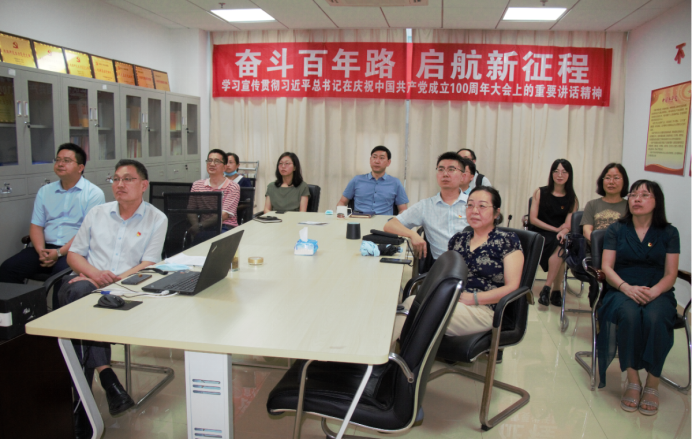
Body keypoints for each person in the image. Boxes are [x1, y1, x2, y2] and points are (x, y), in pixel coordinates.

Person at [57, 159, 167, 423]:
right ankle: (106, 377)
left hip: (127, 289)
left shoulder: (157, 218)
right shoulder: (97, 213)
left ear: (143, 185)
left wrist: (111, 282)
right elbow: (74, 255)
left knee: (81, 308)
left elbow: (149, 264)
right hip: (88, 282)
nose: (120, 184)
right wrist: (96, 276)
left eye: (128, 179)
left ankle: (83, 400)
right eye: (116, 179)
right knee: (80, 294)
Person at [394, 186, 523, 340]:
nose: (474, 211)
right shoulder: (458, 240)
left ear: (496, 213)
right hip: (452, 300)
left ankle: (388, 353)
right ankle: (390, 352)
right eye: (470, 205)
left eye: (482, 206)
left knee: (421, 312)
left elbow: (512, 287)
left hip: (484, 309)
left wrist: (474, 298)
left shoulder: (507, 241)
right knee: (410, 303)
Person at [597, 180, 679, 416]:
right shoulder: (616, 230)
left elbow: (671, 274)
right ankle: (633, 380)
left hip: (658, 290)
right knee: (630, 315)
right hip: (621, 289)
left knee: (656, 317)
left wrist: (654, 291)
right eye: (633, 195)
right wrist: (626, 288)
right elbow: (607, 267)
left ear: (657, 202)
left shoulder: (669, 233)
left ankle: (653, 382)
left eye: (644, 195)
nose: (636, 199)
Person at [0, 143, 104, 309]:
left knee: (61, 279)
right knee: (8, 269)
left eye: (67, 160)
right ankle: (20, 317)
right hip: (44, 248)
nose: (60, 164)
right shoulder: (45, 191)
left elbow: (86, 232)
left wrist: (59, 252)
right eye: (58, 160)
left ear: (80, 167)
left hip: (74, 250)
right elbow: (36, 225)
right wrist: (41, 251)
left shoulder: (93, 194)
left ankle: (56, 321)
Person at [383, 152, 473, 263]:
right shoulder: (426, 206)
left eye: (451, 169)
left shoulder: (473, 204)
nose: (445, 174)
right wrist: (412, 234)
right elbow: (390, 225)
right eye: (441, 169)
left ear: (463, 176)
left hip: (473, 262)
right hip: (442, 266)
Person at [529, 159, 579, 307]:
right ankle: (555, 290)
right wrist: (556, 229)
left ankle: (547, 288)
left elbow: (568, 224)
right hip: (540, 232)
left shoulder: (572, 198)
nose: (559, 175)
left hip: (559, 235)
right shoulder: (540, 192)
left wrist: (564, 230)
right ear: (551, 173)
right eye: (556, 171)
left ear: (569, 175)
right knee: (560, 247)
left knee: (561, 244)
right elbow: (533, 219)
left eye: (564, 172)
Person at [336, 146, 408, 215]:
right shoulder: (356, 180)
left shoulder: (395, 183)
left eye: (381, 158)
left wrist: (396, 222)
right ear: (370, 160)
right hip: (359, 220)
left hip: (385, 222)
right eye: (374, 157)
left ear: (388, 162)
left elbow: (403, 210)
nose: (377, 161)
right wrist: (341, 216)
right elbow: (342, 202)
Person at [191, 149, 240, 232]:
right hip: (203, 226)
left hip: (225, 226)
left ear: (224, 167)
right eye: (209, 160)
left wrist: (200, 226)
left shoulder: (233, 186)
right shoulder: (197, 185)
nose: (212, 164)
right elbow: (191, 210)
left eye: (217, 161)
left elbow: (224, 215)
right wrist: (195, 226)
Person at [581, 163, 629, 242]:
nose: (611, 182)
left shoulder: (630, 206)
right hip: (596, 246)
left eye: (616, 178)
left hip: (621, 247)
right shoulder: (592, 204)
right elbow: (586, 231)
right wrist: (600, 245)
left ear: (624, 181)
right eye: (607, 178)